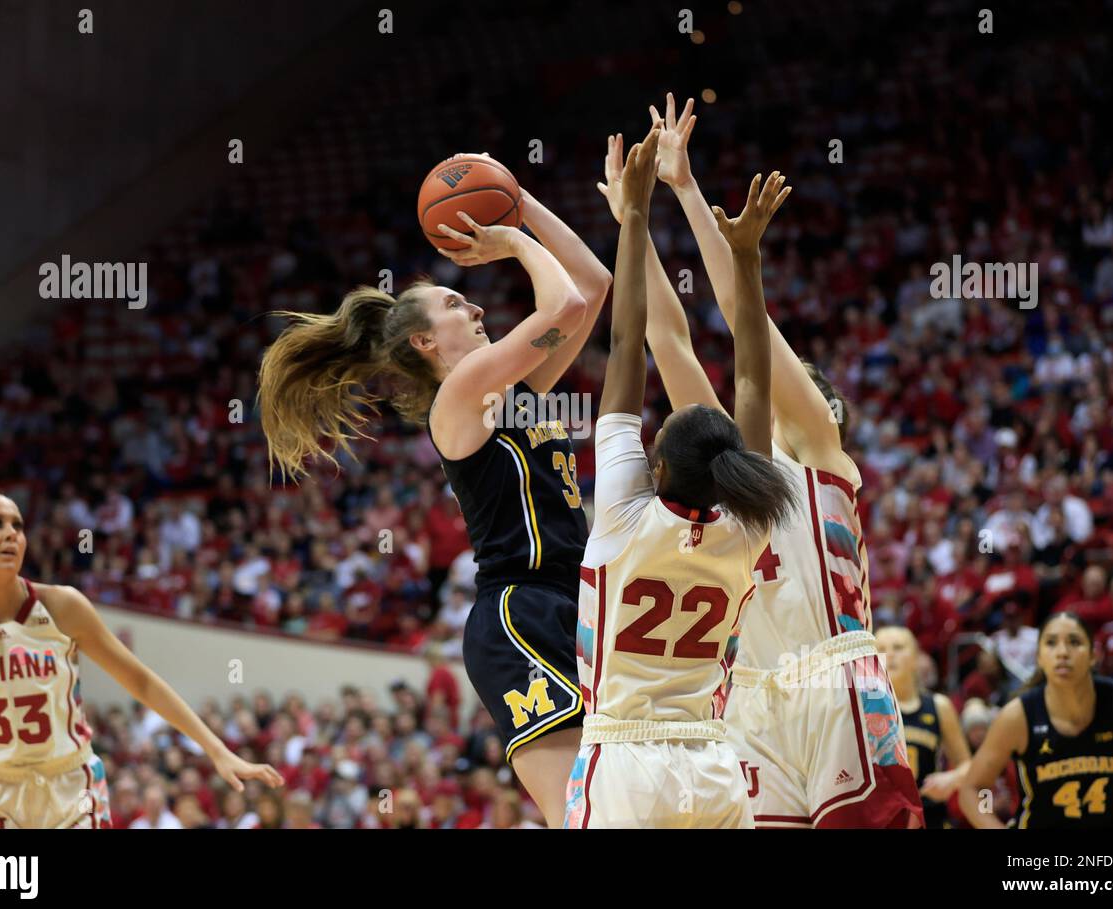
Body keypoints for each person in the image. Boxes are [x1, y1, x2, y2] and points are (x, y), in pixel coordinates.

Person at [257, 175, 611, 827]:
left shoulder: (522, 384)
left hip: (580, 603)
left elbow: (590, 288)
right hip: (520, 612)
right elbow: (560, 305)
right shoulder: (461, 395)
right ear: (424, 341)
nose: (474, 307)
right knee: (585, 814)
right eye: (456, 302)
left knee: (620, 802)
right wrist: (510, 240)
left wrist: (523, 203)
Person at [616, 93, 921, 827]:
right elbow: (669, 342)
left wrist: (686, 192)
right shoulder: (734, 458)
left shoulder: (821, 450)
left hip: (837, 683)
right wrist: (632, 218)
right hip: (747, 698)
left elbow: (748, 321)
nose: (787, 385)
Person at [564, 130, 794, 828]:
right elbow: (755, 377)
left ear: (654, 465)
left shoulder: (624, 519)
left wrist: (632, 215)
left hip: (624, 763)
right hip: (713, 763)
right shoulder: (749, 523)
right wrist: (748, 257)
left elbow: (627, 340)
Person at [0, 492, 282, 829]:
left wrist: (217, 750)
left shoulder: (62, 606)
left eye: (18, 525)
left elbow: (141, 682)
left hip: (71, 787)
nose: (11, 533)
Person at [956, 611, 1113, 828]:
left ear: (1093, 655)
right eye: (1051, 643)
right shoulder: (1018, 716)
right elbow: (974, 789)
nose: (1062, 652)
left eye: (1074, 642)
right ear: (1039, 657)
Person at [875, 626, 972, 829]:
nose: (890, 654)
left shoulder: (939, 706)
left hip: (930, 816)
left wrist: (952, 778)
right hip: (881, 818)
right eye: (881, 648)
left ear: (917, 658)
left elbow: (968, 766)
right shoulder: (861, 708)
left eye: (898, 647)